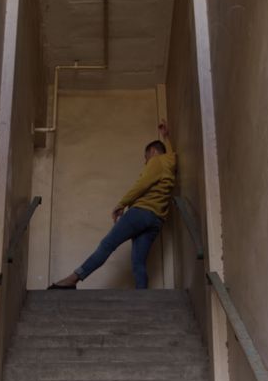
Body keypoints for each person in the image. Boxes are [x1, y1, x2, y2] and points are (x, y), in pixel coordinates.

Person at [49, 121, 176, 290]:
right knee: (138, 262)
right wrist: (166, 137)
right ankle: (145, 298)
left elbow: (142, 184)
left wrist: (121, 204)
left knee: (107, 245)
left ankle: (74, 278)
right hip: (156, 220)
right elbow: (169, 154)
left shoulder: (156, 161)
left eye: (146, 159)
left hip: (141, 213)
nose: (146, 163)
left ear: (152, 152)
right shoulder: (170, 162)